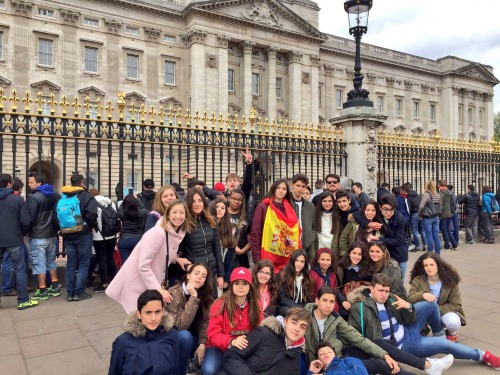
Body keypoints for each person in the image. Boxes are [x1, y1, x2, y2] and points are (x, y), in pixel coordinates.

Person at [349, 273, 500, 371]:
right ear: (371, 288)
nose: (384, 295)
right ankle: (483, 355)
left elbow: (410, 320)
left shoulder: (391, 299)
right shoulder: (360, 307)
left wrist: (408, 308)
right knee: (446, 345)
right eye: (380, 290)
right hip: (402, 346)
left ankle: (439, 333)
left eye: (387, 291)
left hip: (407, 330)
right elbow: (354, 334)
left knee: (430, 303)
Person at [305, 285, 423, 375]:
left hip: (338, 357)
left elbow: (357, 338)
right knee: (378, 363)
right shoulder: (304, 316)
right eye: (324, 300)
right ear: (317, 301)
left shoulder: (335, 318)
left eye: (332, 302)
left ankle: (423, 364)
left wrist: (384, 355)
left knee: (380, 352)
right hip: (319, 362)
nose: (328, 305)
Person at [106, 200, 190, 314]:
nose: (178, 216)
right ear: (168, 214)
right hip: (137, 285)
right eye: (174, 212)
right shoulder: (158, 232)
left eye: (182, 213)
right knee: (139, 322)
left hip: (148, 286)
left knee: (148, 322)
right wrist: (159, 289)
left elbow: (161, 254)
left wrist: (176, 258)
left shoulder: (175, 233)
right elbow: (143, 265)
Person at [202, 267, 263, 375]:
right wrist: (232, 341)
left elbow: (259, 331)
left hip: (245, 347)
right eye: (236, 283)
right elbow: (213, 334)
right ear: (231, 286)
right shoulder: (219, 304)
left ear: (250, 287)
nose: (240, 287)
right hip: (219, 347)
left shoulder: (256, 304)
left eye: (245, 283)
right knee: (209, 370)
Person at [219, 307, 311, 375]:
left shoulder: (295, 355)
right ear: (285, 321)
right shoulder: (264, 333)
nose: (297, 329)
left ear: (305, 332)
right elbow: (230, 356)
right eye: (294, 322)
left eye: (303, 327)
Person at [109, 289, 179, 375]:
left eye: (157, 312)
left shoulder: (171, 335)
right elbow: (114, 371)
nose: (153, 318)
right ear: (139, 314)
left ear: (163, 312)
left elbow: (176, 369)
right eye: (148, 312)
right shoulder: (123, 342)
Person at [166, 263, 214, 375]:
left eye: (203, 276)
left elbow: (207, 321)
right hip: (177, 337)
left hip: (196, 337)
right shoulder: (175, 293)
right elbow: (181, 325)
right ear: (188, 275)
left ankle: (194, 361)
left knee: (208, 367)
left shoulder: (206, 294)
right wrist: (193, 297)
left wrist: (203, 343)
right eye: (196, 273)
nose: (199, 277)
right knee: (185, 336)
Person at [408, 253, 465, 342]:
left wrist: (435, 311)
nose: (429, 268)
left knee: (453, 322)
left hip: (444, 311)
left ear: (438, 265)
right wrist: (422, 295)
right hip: (425, 312)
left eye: (432, 265)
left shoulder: (450, 281)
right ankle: (423, 328)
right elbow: (410, 298)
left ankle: (451, 333)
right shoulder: (418, 280)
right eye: (426, 265)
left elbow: (456, 304)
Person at [0, 174, 37, 310]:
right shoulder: (17, 200)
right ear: (9, 184)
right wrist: (20, 232)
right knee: (20, 269)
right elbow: (26, 221)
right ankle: (23, 300)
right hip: (14, 239)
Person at [60, 173, 98, 302]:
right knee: (83, 263)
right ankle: (79, 291)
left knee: (70, 263)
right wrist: (91, 225)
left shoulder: (64, 196)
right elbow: (92, 213)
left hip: (68, 234)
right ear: (82, 183)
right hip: (83, 233)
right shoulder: (86, 196)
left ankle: (70, 292)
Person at [178, 189, 224, 294]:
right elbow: (178, 253)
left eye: (200, 200)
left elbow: (217, 250)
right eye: (193, 201)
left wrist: (221, 275)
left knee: (211, 308)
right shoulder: (184, 223)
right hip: (195, 275)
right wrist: (187, 267)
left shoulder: (211, 221)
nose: (197, 204)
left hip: (211, 273)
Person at [250, 178, 301, 272]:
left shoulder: (290, 209)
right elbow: (255, 233)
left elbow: (294, 232)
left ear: (287, 192)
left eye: (284, 189)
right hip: (268, 255)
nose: (281, 191)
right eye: (278, 188)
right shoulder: (263, 207)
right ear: (274, 189)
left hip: (286, 257)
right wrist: (257, 259)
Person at [27, 172, 61, 300]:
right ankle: (55, 285)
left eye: (31, 182)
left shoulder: (34, 197)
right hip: (52, 234)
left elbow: (30, 218)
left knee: (38, 263)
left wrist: (25, 230)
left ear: (39, 183)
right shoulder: (55, 194)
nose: (29, 185)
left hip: (38, 234)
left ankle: (42, 290)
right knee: (51, 261)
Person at [367, 195, 409, 282]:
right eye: (385, 209)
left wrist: (378, 239)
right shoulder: (376, 215)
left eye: (391, 209)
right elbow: (358, 214)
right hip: (382, 254)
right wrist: (368, 224)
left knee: (399, 281)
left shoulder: (399, 218)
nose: (388, 212)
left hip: (399, 252)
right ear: (380, 207)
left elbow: (397, 240)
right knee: (382, 280)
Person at [89, 188, 118, 293]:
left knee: (102, 259)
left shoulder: (92, 203)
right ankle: (114, 281)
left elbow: (91, 218)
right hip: (113, 235)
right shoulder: (109, 201)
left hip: (99, 236)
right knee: (110, 258)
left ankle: (104, 283)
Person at [209, 197, 237, 288]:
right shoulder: (207, 227)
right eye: (217, 207)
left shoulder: (231, 229)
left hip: (223, 271)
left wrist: (226, 278)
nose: (219, 210)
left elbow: (231, 257)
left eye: (222, 208)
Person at [337, 242, 369, 320]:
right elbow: (335, 287)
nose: (356, 257)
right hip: (343, 299)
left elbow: (368, 288)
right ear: (349, 253)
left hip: (359, 300)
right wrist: (343, 301)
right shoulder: (341, 268)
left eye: (359, 254)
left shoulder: (366, 270)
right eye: (354, 253)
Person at [277, 249, 314, 316]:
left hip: (301, 307)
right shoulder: (283, 275)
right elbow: (282, 298)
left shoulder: (307, 278)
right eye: (296, 260)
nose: (299, 264)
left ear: (305, 264)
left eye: (302, 261)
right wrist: (298, 308)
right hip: (285, 307)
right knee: (291, 313)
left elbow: (308, 298)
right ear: (292, 261)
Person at [291, 173, 317, 259]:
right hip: (289, 245)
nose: (300, 189)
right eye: (298, 185)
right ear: (292, 185)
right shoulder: (286, 203)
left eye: (303, 186)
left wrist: (310, 237)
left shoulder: (310, 206)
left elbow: (314, 226)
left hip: (306, 245)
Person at [117, 193, 148, 263]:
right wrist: (137, 199)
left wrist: (124, 201)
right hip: (138, 238)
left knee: (125, 264)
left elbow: (119, 210)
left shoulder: (122, 213)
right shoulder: (140, 213)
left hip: (124, 238)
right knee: (137, 263)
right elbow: (144, 209)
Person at [227, 188, 252, 268]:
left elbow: (250, 241)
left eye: (239, 199)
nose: (236, 201)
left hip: (242, 258)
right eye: (233, 198)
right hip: (225, 255)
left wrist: (242, 251)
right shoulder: (223, 215)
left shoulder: (246, 218)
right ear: (229, 199)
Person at [313, 191, 341, 258]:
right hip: (319, 249)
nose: (327, 203)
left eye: (330, 201)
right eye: (324, 201)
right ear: (321, 202)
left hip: (332, 250)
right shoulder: (315, 215)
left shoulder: (338, 216)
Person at [418, 181, 442, 254]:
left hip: (427, 217)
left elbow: (421, 205)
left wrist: (419, 214)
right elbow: (440, 205)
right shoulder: (437, 195)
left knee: (429, 236)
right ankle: (437, 254)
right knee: (436, 235)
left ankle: (430, 253)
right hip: (435, 216)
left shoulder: (426, 194)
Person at [405, 183, 427, 251]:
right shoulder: (418, 195)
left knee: (415, 231)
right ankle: (425, 245)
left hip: (414, 214)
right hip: (421, 213)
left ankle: (417, 246)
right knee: (422, 230)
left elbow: (409, 208)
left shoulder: (408, 197)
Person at [438, 180, 458, 250]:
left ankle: (448, 244)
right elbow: (454, 204)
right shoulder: (450, 193)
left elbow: (440, 205)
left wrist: (439, 213)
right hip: (450, 213)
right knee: (447, 229)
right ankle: (453, 244)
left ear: (439, 185)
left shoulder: (441, 194)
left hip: (443, 213)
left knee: (444, 230)